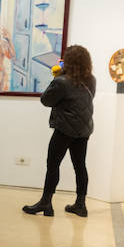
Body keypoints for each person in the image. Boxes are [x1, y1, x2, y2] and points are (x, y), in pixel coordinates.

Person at [23, 45, 96, 217]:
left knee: (53, 165)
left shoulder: (61, 81)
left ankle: (46, 203)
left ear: (67, 61)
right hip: (83, 130)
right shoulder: (91, 80)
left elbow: (46, 100)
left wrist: (57, 76)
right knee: (80, 167)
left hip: (64, 130)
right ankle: (80, 205)